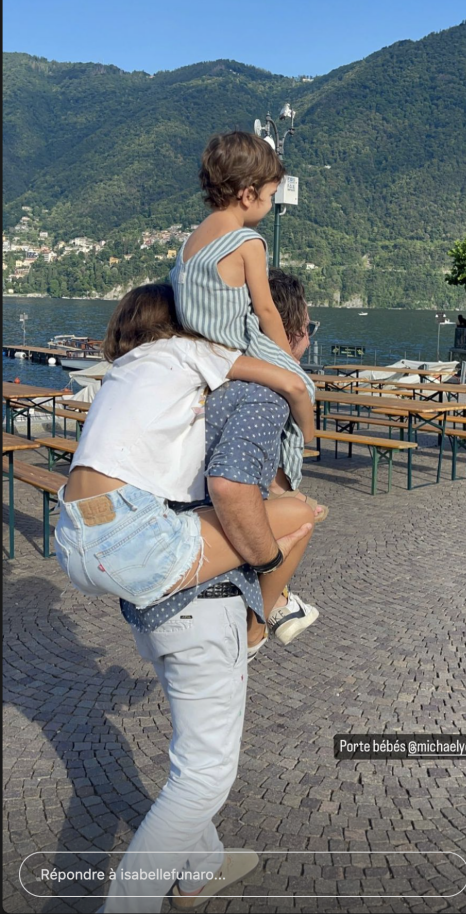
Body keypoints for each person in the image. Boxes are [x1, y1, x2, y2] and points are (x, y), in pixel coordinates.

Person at [99, 272, 320, 913]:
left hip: (153, 599)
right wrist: (272, 560)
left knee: (192, 749)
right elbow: (236, 491)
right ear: (295, 333)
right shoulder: (256, 394)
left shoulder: (192, 383)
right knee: (202, 778)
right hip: (205, 605)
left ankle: (200, 866)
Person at [54, 283, 315, 612]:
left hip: (71, 536)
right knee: (299, 517)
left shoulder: (121, 370)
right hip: (129, 536)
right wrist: (308, 434)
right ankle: (266, 617)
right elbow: (291, 383)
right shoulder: (186, 348)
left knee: (255, 511)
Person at [170, 130, 327, 523]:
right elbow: (267, 311)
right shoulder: (246, 241)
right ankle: (300, 457)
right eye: (271, 196)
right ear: (248, 193)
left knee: (291, 388)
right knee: (300, 386)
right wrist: (286, 363)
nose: (271, 204)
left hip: (194, 347)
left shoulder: (190, 242)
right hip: (231, 346)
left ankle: (281, 478)